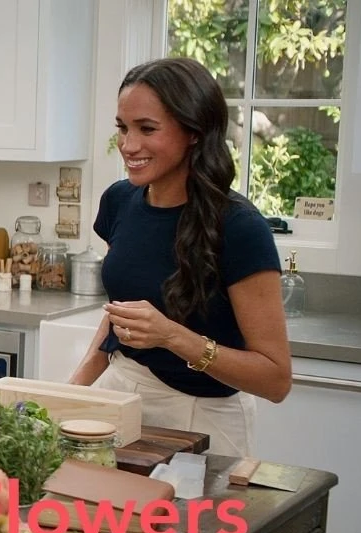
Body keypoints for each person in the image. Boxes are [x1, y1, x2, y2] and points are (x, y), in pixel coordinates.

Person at [68, 57, 292, 457]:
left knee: (185, 523)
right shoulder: (119, 201)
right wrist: (69, 393)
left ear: (193, 132)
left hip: (205, 420)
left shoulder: (240, 227)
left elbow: (275, 380)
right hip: (121, 398)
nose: (128, 145)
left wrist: (173, 336)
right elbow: (120, 313)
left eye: (146, 129)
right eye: (123, 127)